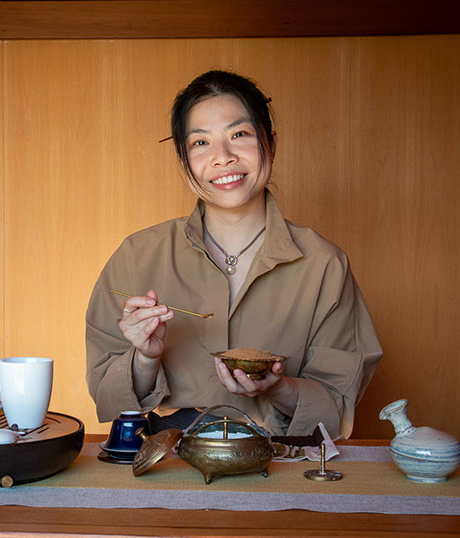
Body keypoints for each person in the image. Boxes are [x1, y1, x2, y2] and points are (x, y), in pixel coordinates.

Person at [85, 69, 382, 438]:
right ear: (183, 160)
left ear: (270, 143)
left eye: (239, 135)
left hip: (280, 461)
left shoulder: (324, 265)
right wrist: (145, 357)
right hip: (166, 459)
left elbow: (338, 406)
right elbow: (106, 396)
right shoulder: (137, 255)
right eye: (200, 143)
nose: (222, 157)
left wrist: (277, 387)